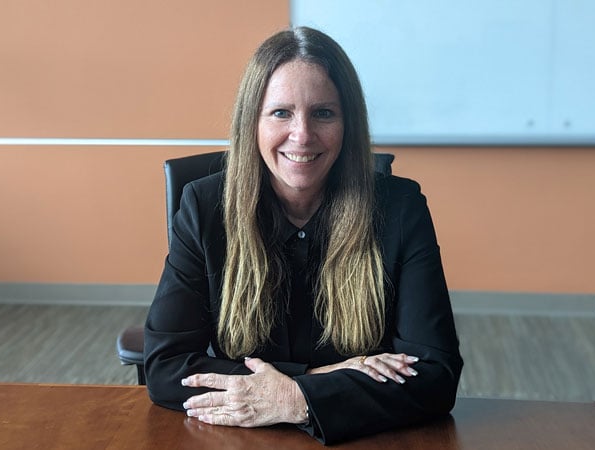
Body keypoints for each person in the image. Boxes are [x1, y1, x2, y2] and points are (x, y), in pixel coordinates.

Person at [144, 26, 462, 444]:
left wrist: (295, 398)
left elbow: (435, 375)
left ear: (348, 123)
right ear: (252, 122)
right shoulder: (204, 207)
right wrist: (311, 382)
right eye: (281, 113)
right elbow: (166, 367)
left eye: (323, 113)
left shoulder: (401, 208)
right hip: (244, 436)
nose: (302, 135)